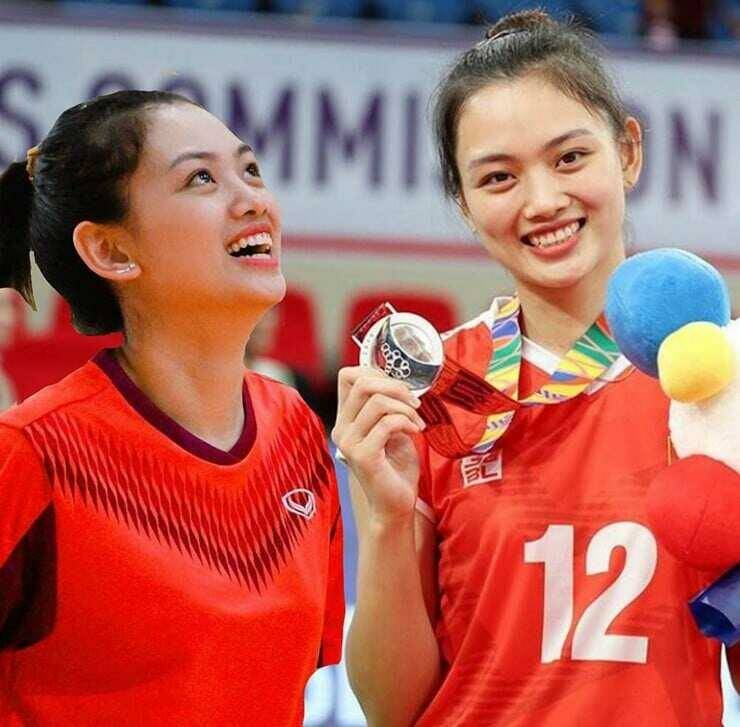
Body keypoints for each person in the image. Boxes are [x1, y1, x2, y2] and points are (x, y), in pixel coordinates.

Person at [332, 10, 738, 726]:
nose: (544, 201)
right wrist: (388, 522)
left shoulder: (715, 379)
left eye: (570, 158)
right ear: (463, 203)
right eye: (498, 177)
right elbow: (390, 709)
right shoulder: (427, 387)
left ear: (629, 151)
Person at [0, 90, 343, 726]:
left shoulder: (296, 426)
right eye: (201, 179)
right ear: (111, 252)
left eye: (250, 170)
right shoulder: (31, 455)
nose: (253, 200)